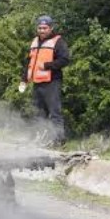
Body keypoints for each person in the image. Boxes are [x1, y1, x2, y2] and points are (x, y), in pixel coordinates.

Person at [20, 15, 70, 146]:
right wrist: (24, 79)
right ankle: (40, 139)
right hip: (37, 83)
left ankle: (59, 141)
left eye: (44, 28)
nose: (42, 30)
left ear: (51, 28)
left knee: (54, 113)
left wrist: (47, 65)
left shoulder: (58, 41)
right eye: (40, 28)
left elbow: (65, 60)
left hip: (52, 82)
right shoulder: (34, 42)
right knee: (38, 113)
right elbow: (29, 62)